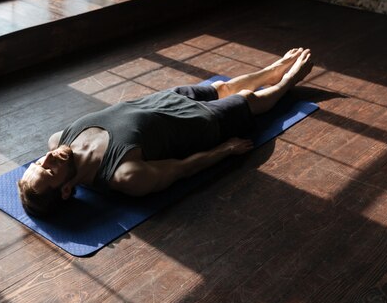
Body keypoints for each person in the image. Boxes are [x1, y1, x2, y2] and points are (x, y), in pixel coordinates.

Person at [18, 48, 313, 216]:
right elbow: (180, 169)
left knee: (221, 87)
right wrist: (225, 151)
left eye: (39, 162)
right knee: (248, 98)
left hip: (163, 100)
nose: (47, 160)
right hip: (199, 124)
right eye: (50, 171)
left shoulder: (58, 139)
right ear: (67, 190)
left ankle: (272, 69)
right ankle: (287, 81)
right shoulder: (124, 176)